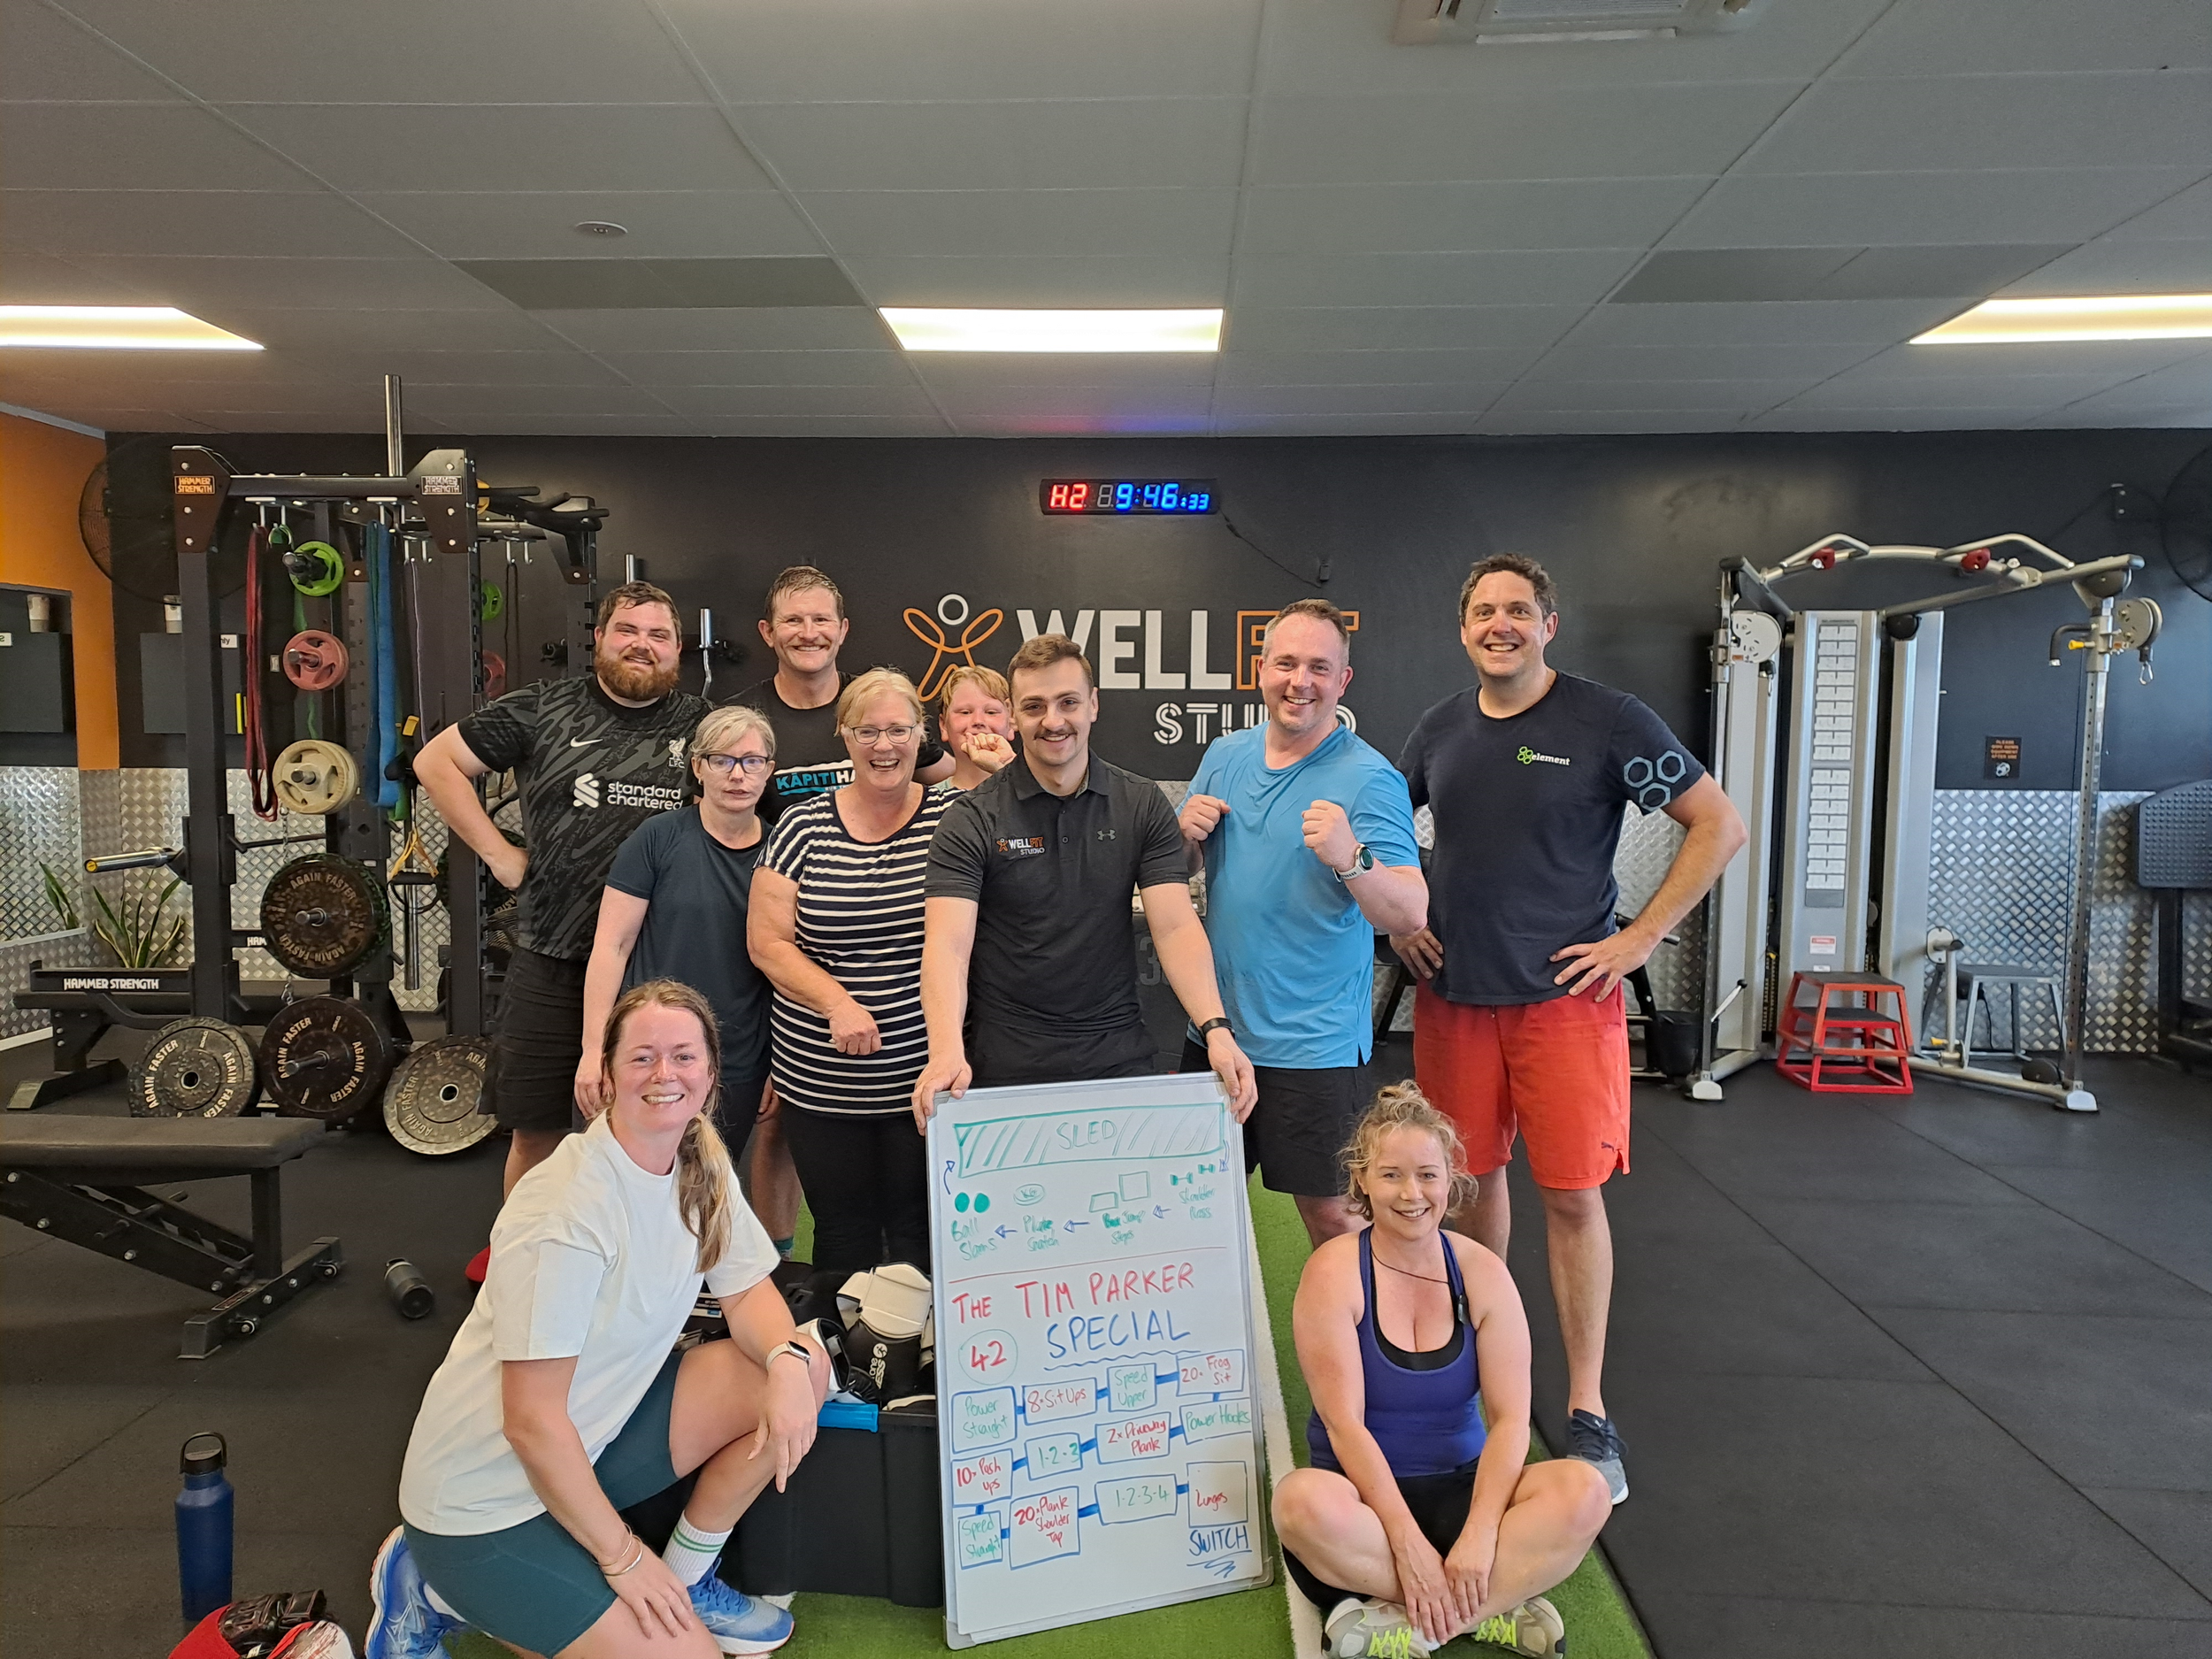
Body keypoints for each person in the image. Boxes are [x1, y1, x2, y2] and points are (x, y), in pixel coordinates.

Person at [1393, 554, 1746, 1504]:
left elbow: (1716, 823)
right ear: (1462, 628)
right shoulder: (1438, 728)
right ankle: (1475, 1371)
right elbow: (1384, 835)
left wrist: (1638, 937)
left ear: (1548, 623)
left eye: (1516, 609)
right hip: (1455, 997)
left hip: (1565, 1007)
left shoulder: (1608, 720)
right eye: (1481, 611)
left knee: (1573, 1199)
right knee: (1468, 1194)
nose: (1498, 624)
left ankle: (1586, 1412)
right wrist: (1403, 922)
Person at [368, 980, 831, 1659]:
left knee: (800, 1363)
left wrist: (791, 1362)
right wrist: (623, 1558)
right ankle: (437, 1585)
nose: (664, 1074)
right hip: (484, 1507)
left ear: (709, 1073)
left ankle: (687, 1580)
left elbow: (748, 1292)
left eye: (683, 1056)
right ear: (608, 1074)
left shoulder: (698, 1159)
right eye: (642, 1057)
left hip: (588, 1450)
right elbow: (532, 1419)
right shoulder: (564, 1209)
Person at [1272, 1084, 1611, 1659]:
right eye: (1392, 1175)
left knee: (1586, 1491)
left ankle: (1415, 1621)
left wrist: (1480, 1533)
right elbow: (1344, 1425)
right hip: (1363, 1512)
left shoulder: (1481, 1271)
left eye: (1428, 1174)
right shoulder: (1332, 1273)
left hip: (1466, 1493)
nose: (1412, 1193)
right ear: (1362, 1182)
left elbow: (1509, 1422)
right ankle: (1494, 1602)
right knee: (1299, 1502)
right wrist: (1406, 1544)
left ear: (1450, 1181)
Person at [415, 581, 705, 1237]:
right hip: (552, 952)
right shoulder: (543, 707)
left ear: (677, 650)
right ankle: (524, 1259)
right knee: (537, 1126)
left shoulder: (701, 724)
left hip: (659, 970)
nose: (642, 645)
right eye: (628, 630)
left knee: (669, 1133)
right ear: (599, 639)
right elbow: (435, 761)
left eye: (658, 635)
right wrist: (499, 855)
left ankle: (658, 1267)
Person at [912, 634, 1257, 1121]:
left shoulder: (1140, 803)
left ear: (1093, 705)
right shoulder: (972, 818)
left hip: (1117, 1056)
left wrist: (1216, 1029)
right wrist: (946, 1051)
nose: (1053, 721)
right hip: (1003, 1065)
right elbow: (947, 945)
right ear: (1013, 717)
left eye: (1068, 702)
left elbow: (1175, 926)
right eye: (1034, 706)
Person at [1178, 599, 1427, 1248]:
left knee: (1335, 1218)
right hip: (1218, 1034)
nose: (1300, 681)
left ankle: (1359, 1346)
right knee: (1194, 1208)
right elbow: (1176, 870)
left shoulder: (1370, 778)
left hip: (1313, 1047)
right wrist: (1182, 839)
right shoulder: (1225, 755)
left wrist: (1353, 857)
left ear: (1343, 680)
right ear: (1260, 670)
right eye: (1286, 663)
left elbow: (1409, 911)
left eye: (1320, 667)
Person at [726, 566, 950, 1254]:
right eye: (867, 731)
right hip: (821, 1076)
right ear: (844, 736)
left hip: (927, 1074)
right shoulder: (801, 826)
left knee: (922, 1235)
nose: (884, 745)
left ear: (922, 735)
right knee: (846, 1236)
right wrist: (837, 1003)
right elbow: (768, 943)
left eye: (899, 730)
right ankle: (841, 1364)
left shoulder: (957, 819)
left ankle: (922, 1362)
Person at [579, 706, 777, 1155]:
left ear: (769, 770)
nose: (737, 775)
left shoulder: (782, 848)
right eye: (721, 760)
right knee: (633, 1190)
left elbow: (785, 964)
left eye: (751, 761)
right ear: (698, 767)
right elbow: (612, 945)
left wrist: (776, 1067)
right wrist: (595, 1051)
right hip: (649, 1055)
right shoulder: (656, 838)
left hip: (738, 1059)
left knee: (709, 1190)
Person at [935, 664, 1017, 791]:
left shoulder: (1036, 793)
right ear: (944, 725)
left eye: (991, 712)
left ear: (1011, 723)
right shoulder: (927, 803)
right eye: (965, 712)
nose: (978, 721)